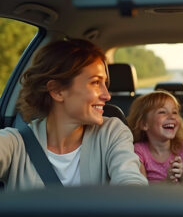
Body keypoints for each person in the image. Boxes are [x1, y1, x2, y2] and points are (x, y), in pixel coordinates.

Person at [0, 38, 148, 191]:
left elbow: (130, 180)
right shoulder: (15, 143)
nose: (107, 95)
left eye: (105, 83)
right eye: (96, 82)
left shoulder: (112, 132)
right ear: (57, 91)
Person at [127, 91, 183, 184]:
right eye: (162, 112)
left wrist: (182, 178)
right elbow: (142, 191)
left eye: (175, 112)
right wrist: (167, 182)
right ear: (144, 124)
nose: (171, 116)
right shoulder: (138, 151)